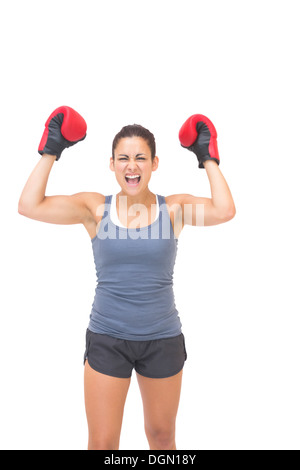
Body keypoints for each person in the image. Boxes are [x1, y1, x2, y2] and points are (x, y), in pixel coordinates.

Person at [18, 107, 236, 450]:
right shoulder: (95, 209)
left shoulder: (174, 209)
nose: (131, 165)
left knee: (162, 438)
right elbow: (29, 205)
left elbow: (224, 210)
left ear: (154, 164)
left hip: (162, 339)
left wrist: (208, 157)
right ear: (112, 164)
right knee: (103, 444)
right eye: (123, 158)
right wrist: (51, 150)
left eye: (140, 158)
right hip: (108, 339)